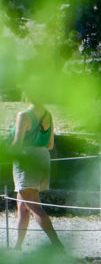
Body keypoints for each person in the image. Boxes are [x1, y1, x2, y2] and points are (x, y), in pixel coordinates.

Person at [12, 101, 58, 247]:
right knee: (22, 205)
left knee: (34, 207)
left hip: (27, 161)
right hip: (43, 158)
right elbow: (50, 144)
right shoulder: (48, 115)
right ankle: (17, 246)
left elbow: (17, 144)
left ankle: (57, 245)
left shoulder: (24, 115)